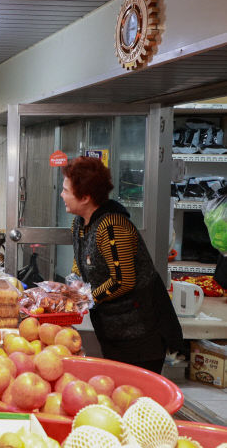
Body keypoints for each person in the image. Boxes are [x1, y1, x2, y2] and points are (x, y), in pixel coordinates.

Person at [61, 156, 183, 373]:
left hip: (140, 331)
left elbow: (123, 281)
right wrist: (72, 286)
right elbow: (80, 261)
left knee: (138, 393)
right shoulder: (79, 223)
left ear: (85, 197)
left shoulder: (112, 226)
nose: (62, 195)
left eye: (66, 191)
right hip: (112, 328)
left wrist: (86, 298)